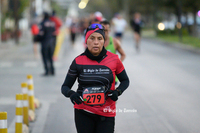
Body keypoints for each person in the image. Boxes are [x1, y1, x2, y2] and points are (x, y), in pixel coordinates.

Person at [61, 23, 129, 133]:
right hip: (83, 112)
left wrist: (118, 91)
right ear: (86, 41)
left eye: (100, 38)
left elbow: (125, 80)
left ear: (104, 41)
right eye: (92, 38)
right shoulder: (78, 61)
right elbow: (65, 86)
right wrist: (71, 94)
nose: (96, 42)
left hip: (107, 112)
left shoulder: (114, 59)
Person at [100, 20, 126, 85]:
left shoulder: (115, 42)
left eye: (106, 30)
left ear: (109, 31)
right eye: (103, 30)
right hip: (99, 75)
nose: (104, 32)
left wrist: (116, 64)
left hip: (112, 76)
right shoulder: (95, 42)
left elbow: (123, 55)